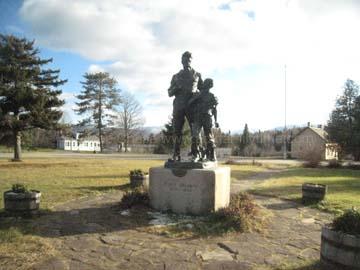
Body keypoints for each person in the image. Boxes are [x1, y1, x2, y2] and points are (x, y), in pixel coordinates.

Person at [168, 51, 203, 161]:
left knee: (195, 130)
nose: (186, 61)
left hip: (192, 106)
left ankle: (196, 153)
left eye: (188, 59)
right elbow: (169, 93)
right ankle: (176, 154)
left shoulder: (197, 75)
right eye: (184, 59)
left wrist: (199, 95)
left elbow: (203, 90)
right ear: (181, 61)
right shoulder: (176, 76)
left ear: (191, 61)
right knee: (177, 131)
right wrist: (176, 88)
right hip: (178, 106)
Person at [188, 78, 219, 161]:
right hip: (197, 117)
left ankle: (211, 154)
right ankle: (196, 154)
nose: (206, 87)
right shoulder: (198, 95)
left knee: (209, 136)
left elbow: (215, 109)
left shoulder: (212, 96)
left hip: (207, 117)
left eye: (208, 85)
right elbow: (190, 104)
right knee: (195, 135)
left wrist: (216, 120)